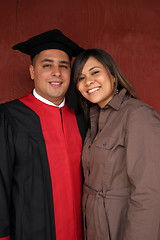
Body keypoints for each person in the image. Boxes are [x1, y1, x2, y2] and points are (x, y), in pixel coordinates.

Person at [0, 29, 87, 240]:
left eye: (63, 67)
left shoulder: (83, 117)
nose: (56, 73)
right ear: (32, 71)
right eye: (47, 65)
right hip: (29, 232)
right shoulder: (8, 117)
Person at [72, 48, 160, 240]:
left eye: (95, 72)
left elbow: (150, 194)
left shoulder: (139, 116)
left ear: (113, 76)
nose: (88, 82)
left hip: (122, 226)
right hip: (94, 228)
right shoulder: (93, 121)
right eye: (80, 78)